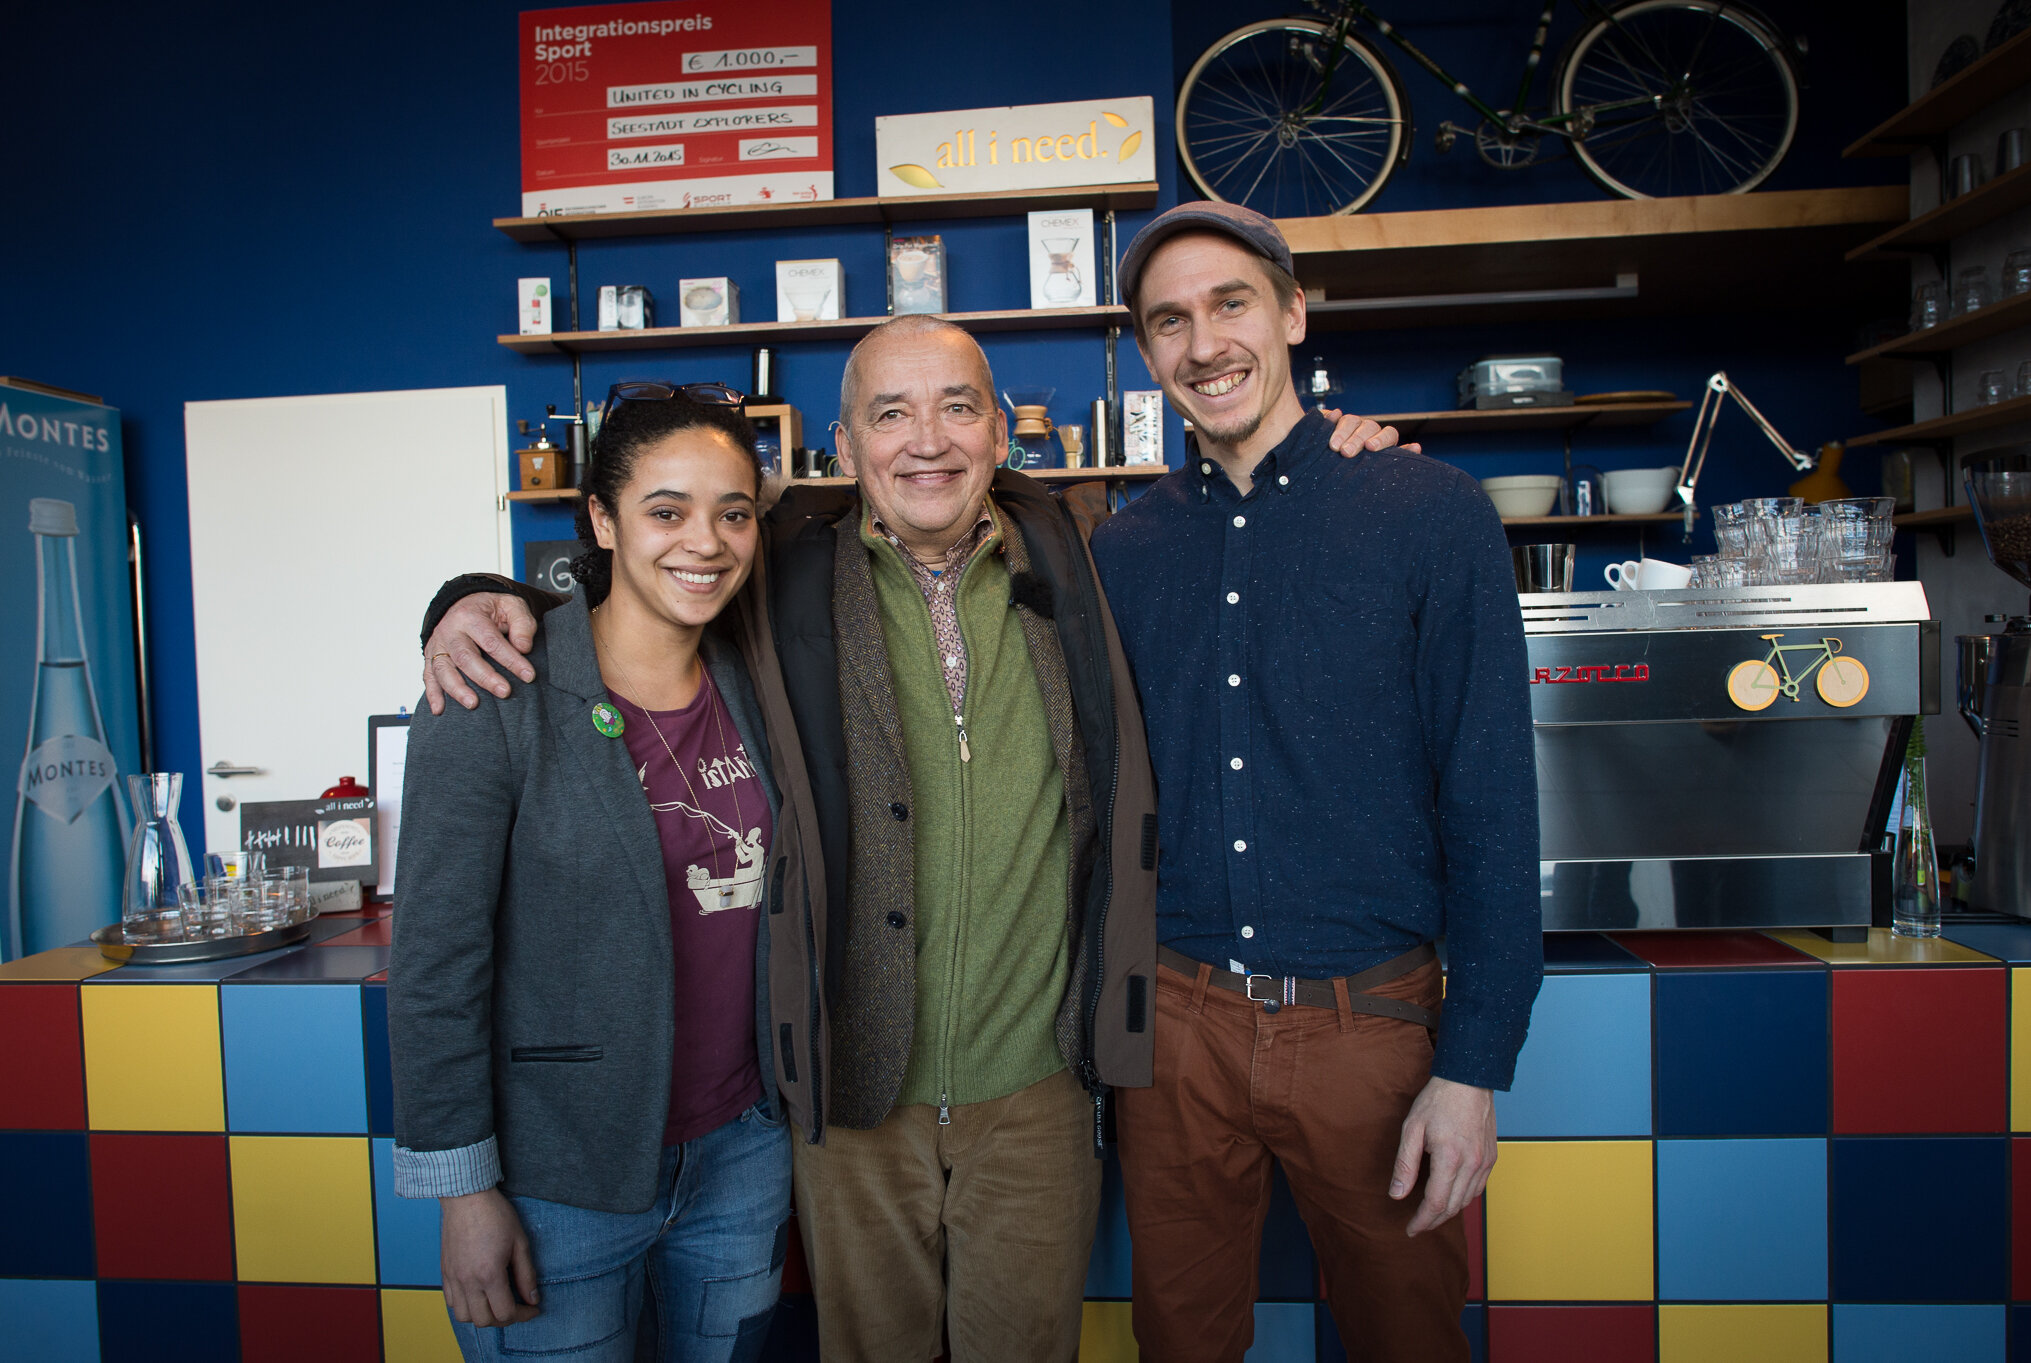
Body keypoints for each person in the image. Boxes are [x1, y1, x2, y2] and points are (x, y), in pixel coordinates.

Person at [416, 318, 1407, 1363]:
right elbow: (643, 590)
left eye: (957, 407)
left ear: (999, 435)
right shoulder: (777, 573)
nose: (926, 439)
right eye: (890, 413)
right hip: (849, 1096)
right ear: (844, 449)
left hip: (1037, 1089)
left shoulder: (1084, 553)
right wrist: (476, 603)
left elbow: (1234, 536)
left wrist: (1338, 462)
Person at [1090, 201, 1543, 1362]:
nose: (1203, 344)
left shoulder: (1428, 514)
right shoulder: (1121, 550)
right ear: (1144, 351)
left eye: (1230, 304)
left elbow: (1492, 801)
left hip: (1369, 1028)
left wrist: (1472, 1067)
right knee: (1179, 1345)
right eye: (1168, 321)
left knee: (1408, 1339)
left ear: (1291, 313)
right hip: (1175, 1032)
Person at [387, 384, 828, 1363]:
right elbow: (434, 965)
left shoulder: (753, 679)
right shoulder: (495, 689)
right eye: (666, 510)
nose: (705, 542)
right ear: (601, 518)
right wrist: (464, 1193)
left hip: (742, 1155)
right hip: (558, 1179)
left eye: (733, 513)